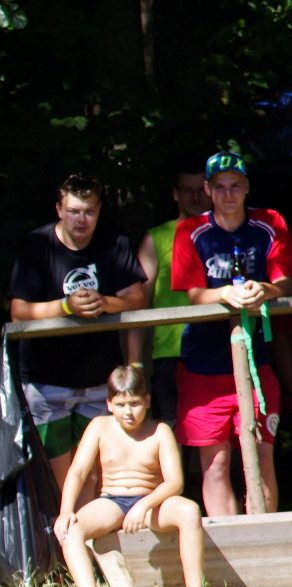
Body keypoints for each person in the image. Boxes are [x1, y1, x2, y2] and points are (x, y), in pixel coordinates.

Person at [7, 174, 148, 496]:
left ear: (99, 211)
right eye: (73, 211)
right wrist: (65, 306)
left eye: (89, 211)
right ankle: (64, 529)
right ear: (59, 209)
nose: (81, 219)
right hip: (46, 383)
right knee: (56, 479)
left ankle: (87, 529)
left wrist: (104, 303)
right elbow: (18, 311)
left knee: (93, 477)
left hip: (98, 381)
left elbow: (136, 298)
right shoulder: (37, 245)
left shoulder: (113, 242)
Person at [171, 150, 292, 516]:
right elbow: (194, 294)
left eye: (235, 186)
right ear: (208, 190)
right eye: (220, 187)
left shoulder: (269, 222)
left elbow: (284, 282)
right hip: (202, 366)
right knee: (215, 463)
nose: (228, 195)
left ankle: (264, 539)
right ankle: (228, 544)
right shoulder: (190, 231)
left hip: (258, 363)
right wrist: (225, 293)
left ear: (247, 187)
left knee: (261, 456)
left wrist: (264, 290)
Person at [54, 365, 210, 587]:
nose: (128, 412)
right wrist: (65, 511)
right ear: (109, 404)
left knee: (190, 511)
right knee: (69, 530)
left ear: (147, 401)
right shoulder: (99, 427)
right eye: (121, 405)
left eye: (135, 404)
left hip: (151, 502)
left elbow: (175, 482)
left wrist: (144, 505)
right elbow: (78, 471)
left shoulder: (160, 431)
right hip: (111, 501)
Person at [136, 161, 211, 422]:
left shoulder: (227, 235)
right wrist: (135, 362)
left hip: (220, 349)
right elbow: (138, 302)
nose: (195, 197)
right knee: (171, 432)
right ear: (175, 194)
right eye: (188, 190)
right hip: (170, 353)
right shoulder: (156, 237)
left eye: (201, 189)